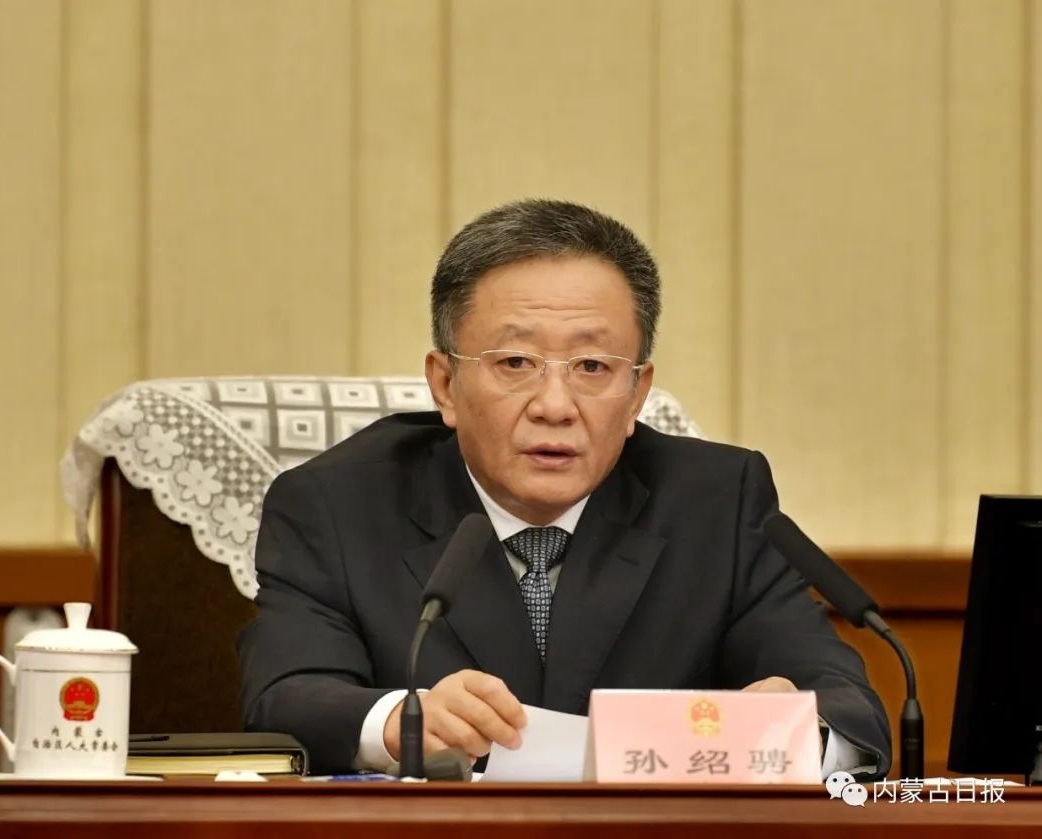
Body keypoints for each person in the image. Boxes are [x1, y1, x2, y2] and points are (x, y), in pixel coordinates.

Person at [237, 199, 892, 778]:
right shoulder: (336, 505)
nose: (555, 405)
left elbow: (849, 709)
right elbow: (286, 694)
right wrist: (399, 721)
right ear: (445, 384)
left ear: (637, 392)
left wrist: (793, 731)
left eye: (592, 366)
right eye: (515, 362)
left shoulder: (717, 502)